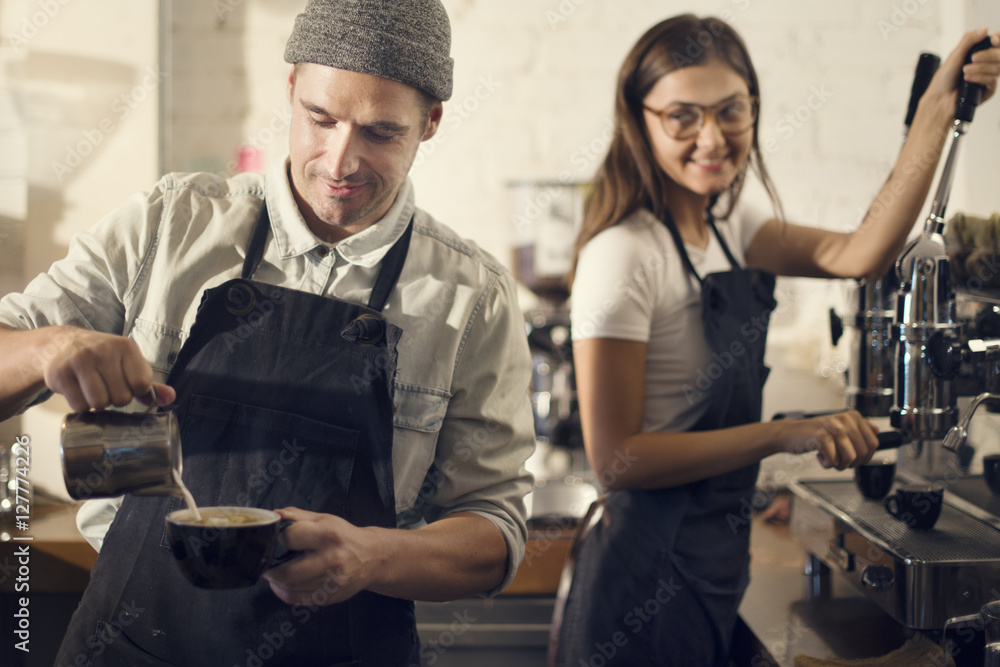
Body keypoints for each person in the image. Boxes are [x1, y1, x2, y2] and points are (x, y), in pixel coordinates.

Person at [0, 1, 536, 664]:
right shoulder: (168, 227)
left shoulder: (471, 296)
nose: (340, 160)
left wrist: (374, 556)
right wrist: (50, 347)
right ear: (289, 89)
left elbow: (496, 528)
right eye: (320, 118)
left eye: (380, 132)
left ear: (430, 124)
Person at [557, 14, 1000, 666]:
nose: (711, 138)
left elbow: (859, 252)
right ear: (639, 118)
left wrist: (939, 107)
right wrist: (784, 433)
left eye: (730, 111)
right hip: (640, 574)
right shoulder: (621, 255)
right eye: (682, 116)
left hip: (713, 558)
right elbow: (616, 459)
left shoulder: (734, 222)